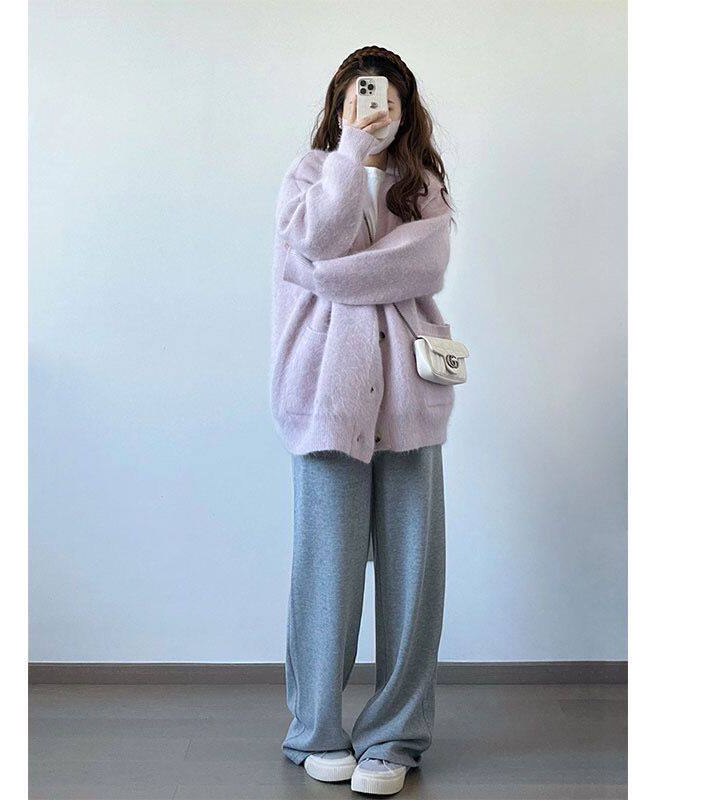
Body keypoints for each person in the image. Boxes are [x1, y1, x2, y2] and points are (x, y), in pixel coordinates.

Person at [269, 45, 456, 796]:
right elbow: (315, 239)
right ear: (340, 103)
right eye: (359, 94)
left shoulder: (421, 185)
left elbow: (423, 266)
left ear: (405, 108)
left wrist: (330, 278)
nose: (372, 107)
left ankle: (395, 737)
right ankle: (315, 731)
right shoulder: (310, 174)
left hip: (411, 398)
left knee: (413, 576)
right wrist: (349, 154)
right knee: (326, 571)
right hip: (325, 399)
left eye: (384, 97)